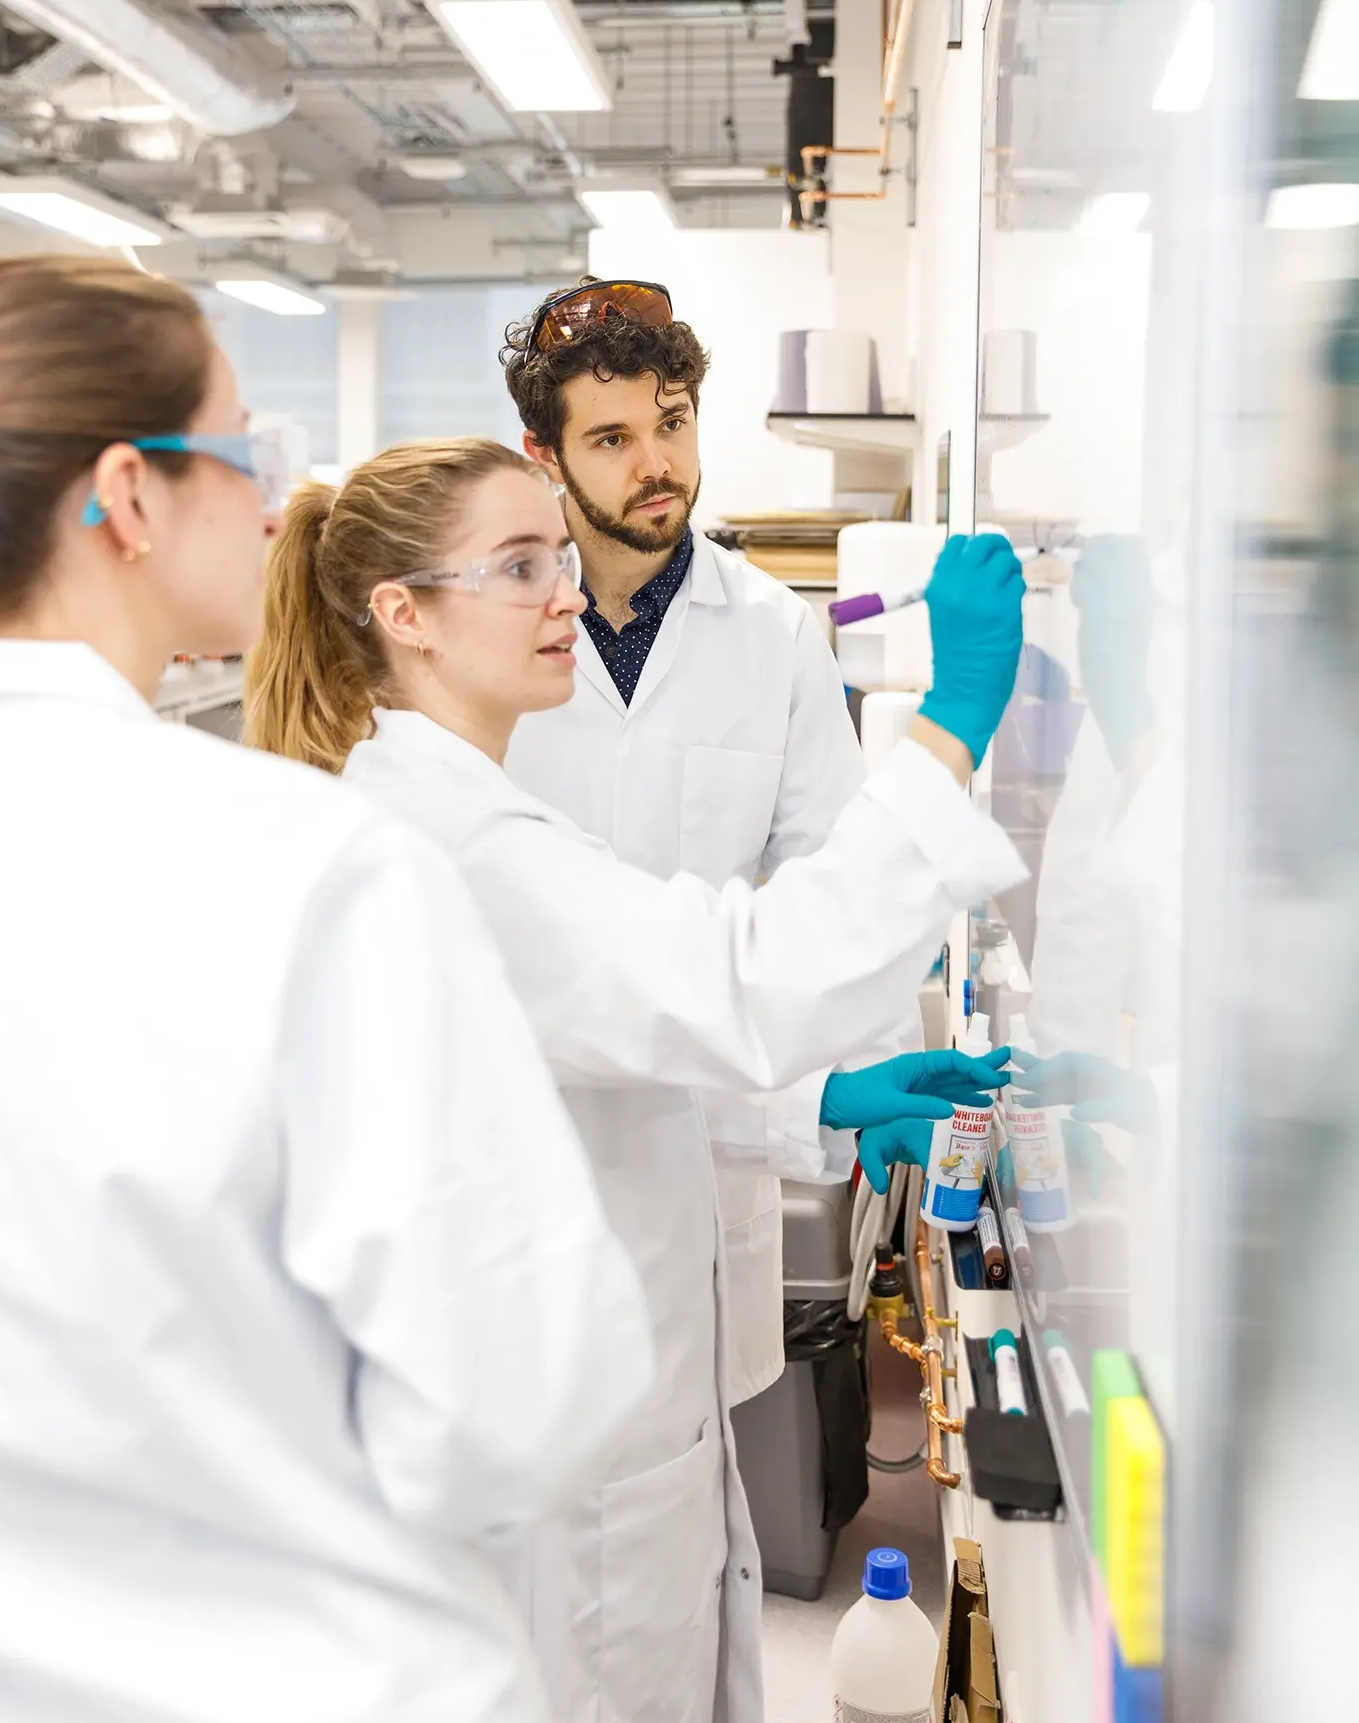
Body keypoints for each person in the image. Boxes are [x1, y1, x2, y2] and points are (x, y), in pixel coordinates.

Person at [0, 256, 654, 1723]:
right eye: (241, 451)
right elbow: (518, 1402)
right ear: (127, 498)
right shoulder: (306, 869)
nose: (274, 502)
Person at [246, 436, 1029, 1723]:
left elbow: (580, 1055)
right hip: (562, 1471)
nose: (565, 593)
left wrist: (817, 1100)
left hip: (577, 1418)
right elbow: (732, 977)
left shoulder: (445, 803)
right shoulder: (454, 842)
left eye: (553, 554)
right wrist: (946, 731)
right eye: (513, 567)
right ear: (403, 615)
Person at [500, 276, 872, 1420]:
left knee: (691, 1509)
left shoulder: (772, 635)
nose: (654, 463)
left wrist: (828, 1093)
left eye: (671, 423)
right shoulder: (483, 630)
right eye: (609, 438)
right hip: (523, 1153)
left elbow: (823, 900)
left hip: (711, 1158)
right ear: (543, 454)